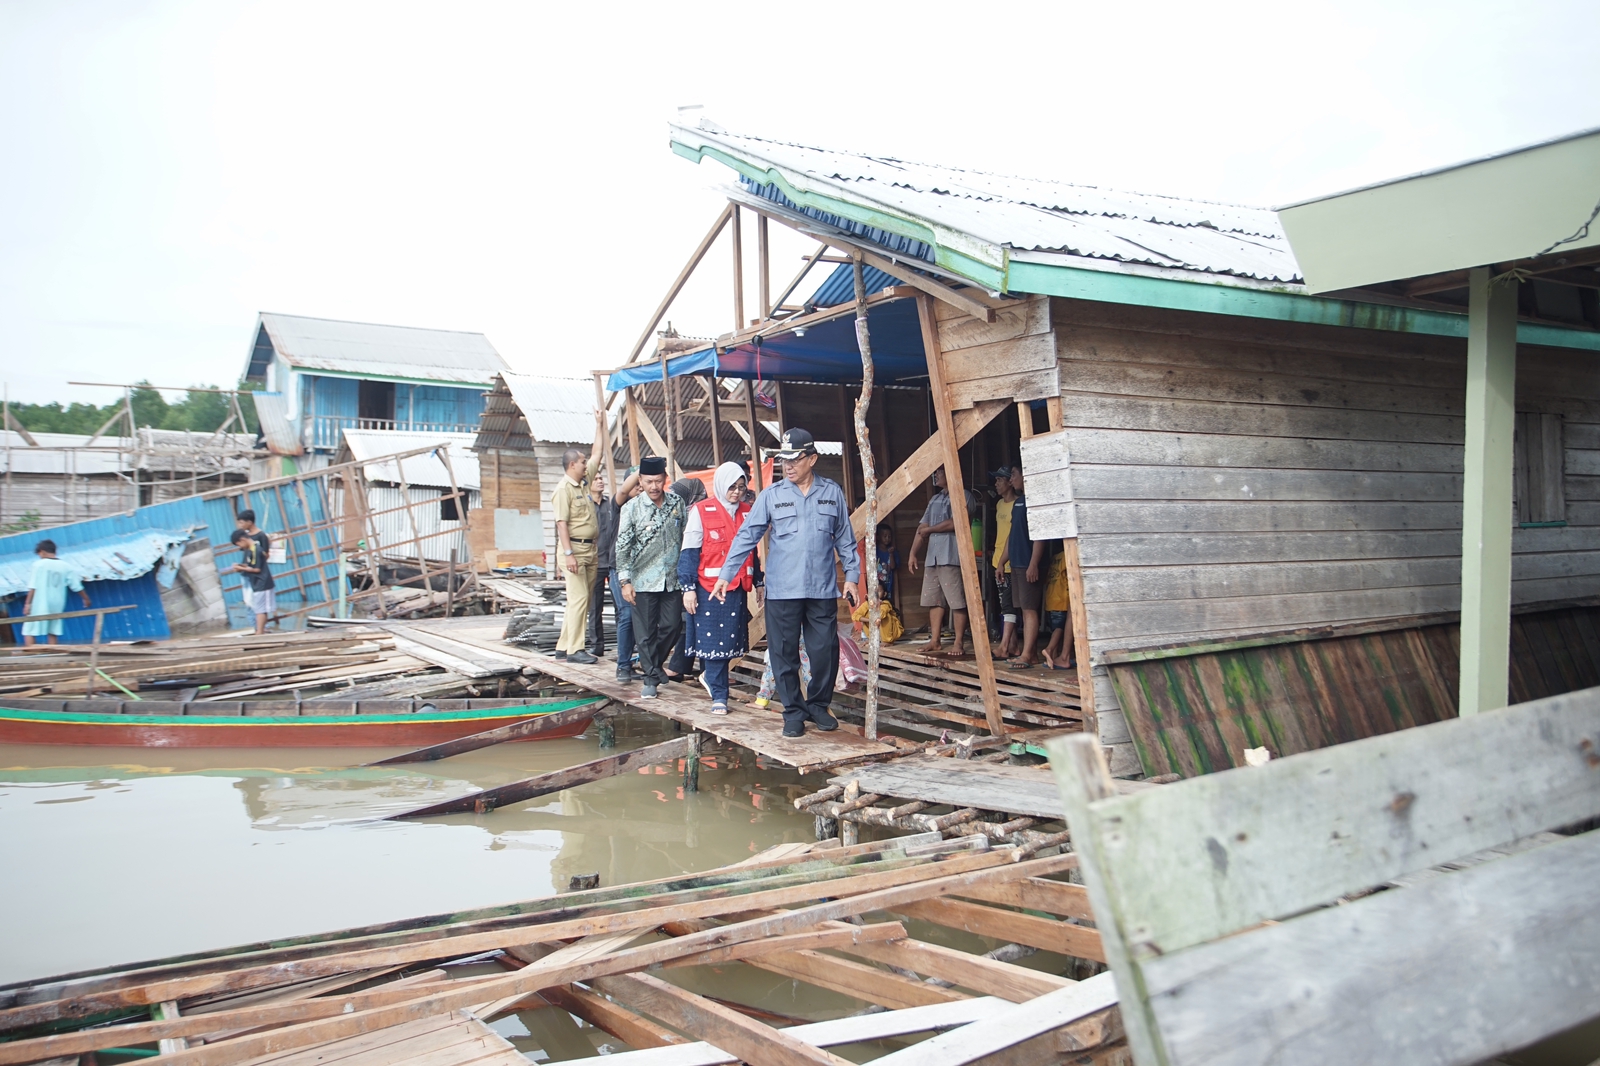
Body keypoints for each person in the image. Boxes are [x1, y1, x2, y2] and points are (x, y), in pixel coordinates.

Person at [711, 428, 860, 738]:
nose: (788, 465)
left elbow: (846, 540)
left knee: (824, 652)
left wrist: (853, 578)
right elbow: (746, 536)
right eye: (783, 460)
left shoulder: (832, 492)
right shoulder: (772, 495)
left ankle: (818, 705)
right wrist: (726, 575)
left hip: (821, 588)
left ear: (812, 459)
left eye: (795, 459)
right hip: (783, 591)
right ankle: (793, 711)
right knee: (783, 653)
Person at [679, 462, 757, 715]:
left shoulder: (748, 511)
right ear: (721, 485)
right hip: (708, 588)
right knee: (712, 643)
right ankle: (719, 695)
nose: (736, 492)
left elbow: (752, 553)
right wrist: (688, 588)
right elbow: (689, 551)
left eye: (741, 487)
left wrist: (759, 581)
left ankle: (713, 682)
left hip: (736, 589)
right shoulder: (701, 511)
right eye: (732, 487)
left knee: (728, 643)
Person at [615, 456, 688, 699]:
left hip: (672, 578)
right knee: (645, 631)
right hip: (642, 579)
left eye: (658, 481)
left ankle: (654, 665)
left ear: (666, 479)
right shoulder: (631, 508)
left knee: (672, 626)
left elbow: (686, 537)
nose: (654, 487)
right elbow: (622, 547)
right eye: (648, 482)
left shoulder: (677, 503)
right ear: (641, 481)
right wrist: (625, 582)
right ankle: (650, 678)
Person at [552, 415, 608, 664]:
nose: (587, 465)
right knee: (579, 599)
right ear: (572, 464)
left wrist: (598, 425)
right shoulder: (563, 490)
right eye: (583, 462)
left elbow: (597, 453)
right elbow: (561, 523)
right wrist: (568, 554)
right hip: (573, 549)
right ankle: (576, 650)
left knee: (581, 599)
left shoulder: (584, 483)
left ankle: (564, 646)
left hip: (590, 550)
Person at [907, 467, 975, 657]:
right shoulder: (935, 499)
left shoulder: (963, 496)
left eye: (940, 472)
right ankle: (935, 640)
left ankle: (959, 642)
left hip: (951, 555)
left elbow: (956, 522)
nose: (936, 475)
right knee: (934, 600)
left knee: (957, 601)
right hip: (933, 556)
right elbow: (922, 527)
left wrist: (930, 530)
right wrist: (913, 552)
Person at [587, 458, 642, 677]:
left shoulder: (649, 506)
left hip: (641, 570)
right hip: (618, 567)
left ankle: (640, 664)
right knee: (625, 613)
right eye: (637, 483)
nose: (640, 488)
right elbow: (626, 489)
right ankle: (623, 666)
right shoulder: (619, 506)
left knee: (638, 616)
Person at [995, 464, 1045, 668]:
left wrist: (1034, 564)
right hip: (1015, 563)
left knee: (1030, 609)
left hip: (1027, 563)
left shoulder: (1035, 502)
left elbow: (1040, 536)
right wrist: (1001, 562)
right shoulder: (1019, 502)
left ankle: (1026, 654)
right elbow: (1011, 535)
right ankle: (1029, 654)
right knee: (1023, 610)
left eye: (1014, 475)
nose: (1012, 478)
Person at [21, 540, 89, 646]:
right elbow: (76, 586)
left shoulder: (38, 564)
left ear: (42, 552)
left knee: (29, 629)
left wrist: (28, 604)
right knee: (53, 629)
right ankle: (53, 652)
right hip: (57, 602)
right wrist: (86, 598)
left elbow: (33, 586)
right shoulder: (66, 566)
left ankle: (31, 654)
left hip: (40, 601)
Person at [989, 466, 1020, 659]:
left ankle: (1004, 646)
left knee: (1008, 605)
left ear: (1010, 482)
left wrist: (1003, 561)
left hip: (1009, 563)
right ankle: (1014, 647)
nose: (996, 484)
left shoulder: (1017, 505)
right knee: (1003, 604)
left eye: (1000, 480)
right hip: (997, 562)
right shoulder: (1000, 504)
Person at [227, 528, 275, 634]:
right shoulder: (250, 550)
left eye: (238, 544)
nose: (240, 547)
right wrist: (241, 566)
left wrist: (242, 569)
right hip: (258, 584)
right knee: (260, 609)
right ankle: (260, 631)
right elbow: (251, 565)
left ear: (242, 540)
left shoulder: (256, 550)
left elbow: (257, 569)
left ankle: (259, 633)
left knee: (260, 610)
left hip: (262, 582)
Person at [1041, 540, 1076, 670]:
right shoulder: (1068, 557)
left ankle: (1053, 656)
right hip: (1062, 599)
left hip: (1051, 599)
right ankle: (1049, 649)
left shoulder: (1055, 558)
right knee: (1060, 628)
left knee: (1056, 628)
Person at [874, 523, 899, 610]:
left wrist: (891, 554)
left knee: (887, 605)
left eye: (889, 536)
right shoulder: (874, 550)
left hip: (888, 585)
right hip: (876, 585)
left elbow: (893, 567)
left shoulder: (892, 551)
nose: (887, 538)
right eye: (884, 536)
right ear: (878, 537)